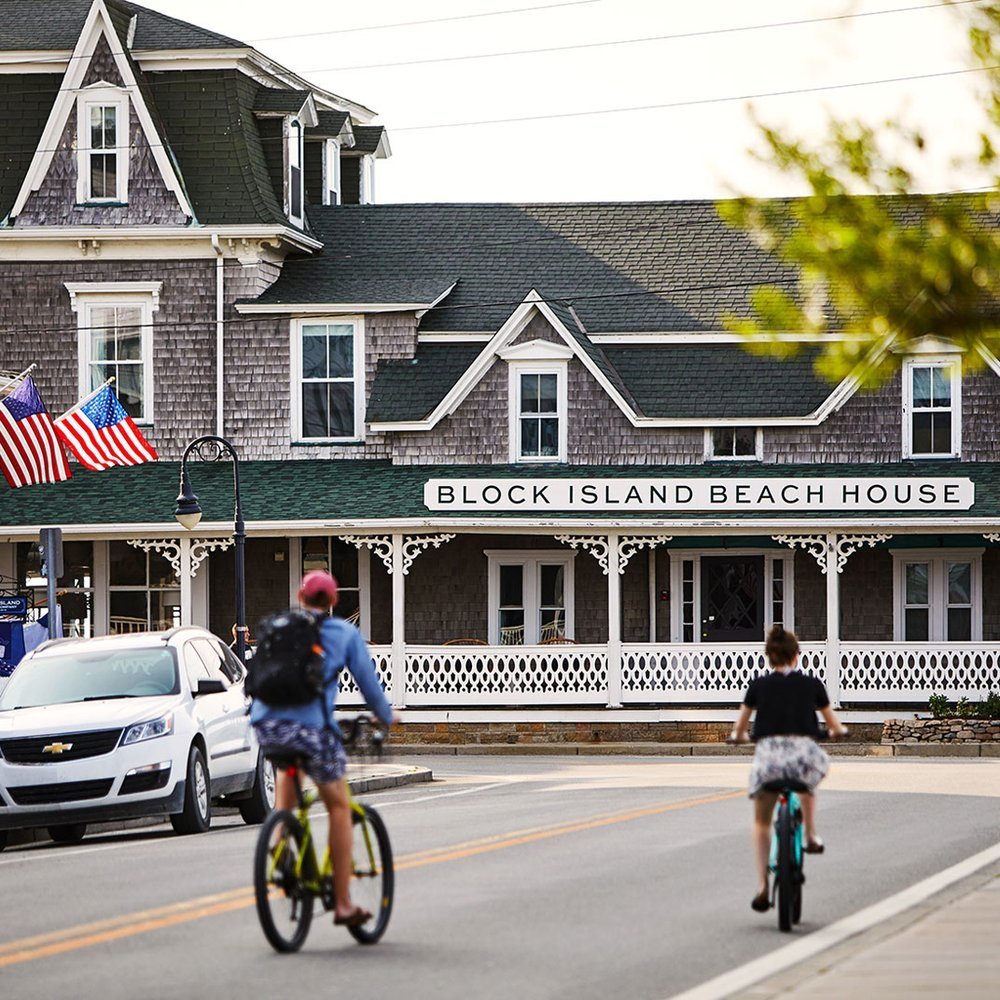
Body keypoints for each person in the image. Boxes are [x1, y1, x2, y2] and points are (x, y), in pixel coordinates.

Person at [250, 570, 394, 927]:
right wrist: (388, 717)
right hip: (312, 729)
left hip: (265, 724)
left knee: (288, 767)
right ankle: (343, 903)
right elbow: (370, 688)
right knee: (340, 807)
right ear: (333, 601)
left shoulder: (280, 626)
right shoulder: (342, 633)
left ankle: (279, 834)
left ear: (300, 597)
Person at [729, 624, 847, 914]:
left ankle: (762, 886)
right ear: (796, 655)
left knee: (761, 823)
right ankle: (809, 834)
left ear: (769, 657)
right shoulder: (811, 684)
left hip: (769, 761)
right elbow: (833, 725)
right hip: (801, 758)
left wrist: (739, 738)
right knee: (807, 782)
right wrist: (837, 732)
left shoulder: (758, 686)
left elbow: (740, 728)